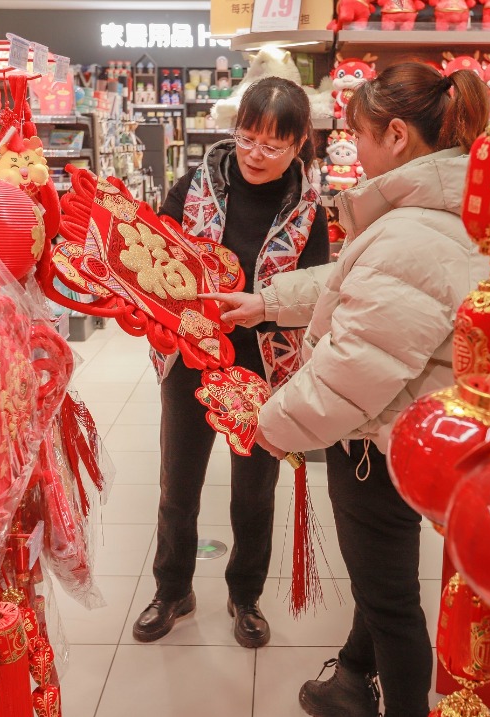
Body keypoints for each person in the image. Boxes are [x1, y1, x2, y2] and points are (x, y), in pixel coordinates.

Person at [206, 63, 490, 717]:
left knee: (391, 601)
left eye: (357, 134)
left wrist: (267, 424)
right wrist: (267, 302)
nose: (350, 149)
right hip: (419, 431)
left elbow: (352, 374)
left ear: (395, 135)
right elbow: (355, 285)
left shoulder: (410, 232)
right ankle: (351, 676)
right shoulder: (441, 211)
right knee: (381, 578)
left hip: (377, 442)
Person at [132, 76, 330, 649]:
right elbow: (156, 249)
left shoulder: (308, 213)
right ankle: (172, 590)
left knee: (253, 490)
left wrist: (260, 310)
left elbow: (314, 294)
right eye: (247, 137)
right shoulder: (196, 184)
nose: (255, 154)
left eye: (273, 145)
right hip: (191, 361)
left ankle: (246, 597)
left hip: (264, 368)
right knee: (179, 484)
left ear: (300, 146)